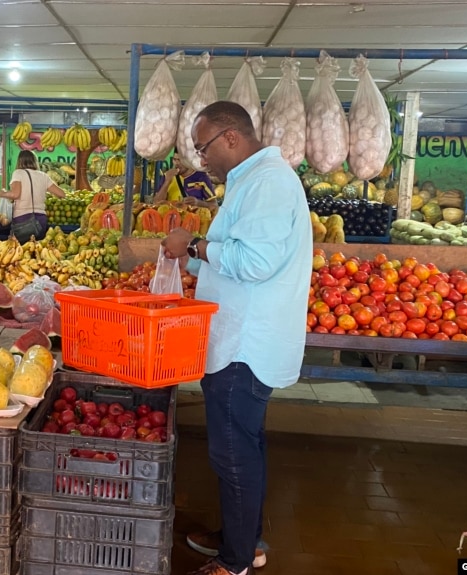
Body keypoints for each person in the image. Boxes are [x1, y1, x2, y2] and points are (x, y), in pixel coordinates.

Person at [161, 101, 312, 575]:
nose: (201, 158)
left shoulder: (267, 183)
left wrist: (195, 245)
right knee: (246, 445)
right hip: (241, 338)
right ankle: (245, 538)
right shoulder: (253, 180)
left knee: (233, 453)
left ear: (230, 137)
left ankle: (236, 561)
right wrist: (188, 259)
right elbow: (238, 257)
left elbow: (254, 263)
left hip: (244, 347)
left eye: (203, 147)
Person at [0, 150, 66, 241]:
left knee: (21, 251)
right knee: (37, 250)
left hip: (22, 219)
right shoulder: (43, 176)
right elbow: (62, 194)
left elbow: (15, 194)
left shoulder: (18, 173)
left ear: (19, 161)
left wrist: (3, 193)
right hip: (40, 221)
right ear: (35, 161)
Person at [152, 150, 218, 210]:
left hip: (193, 221)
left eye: (180, 160)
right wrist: (167, 182)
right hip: (171, 220)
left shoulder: (201, 177)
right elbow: (156, 203)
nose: (176, 163)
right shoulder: (167, 176)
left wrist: (198, 203)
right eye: (174, 159)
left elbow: (214, 206)